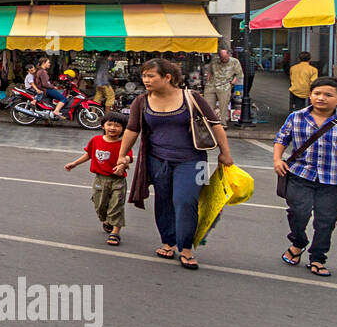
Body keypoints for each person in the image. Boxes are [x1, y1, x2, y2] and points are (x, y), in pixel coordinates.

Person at [114, 57, 235, 269]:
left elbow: (215, 125)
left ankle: (186, 247)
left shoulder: (192, 97)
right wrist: (122, 155)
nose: (146, 80)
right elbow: (132, 130)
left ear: (167, 77)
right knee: (164, 201)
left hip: (192, 160)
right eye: (144, 76)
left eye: (151, 75)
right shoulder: (141, 101)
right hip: (157, 160)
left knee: (185, 201)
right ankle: (168, 241)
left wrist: (225, 153)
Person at [274, 77, 337, 277]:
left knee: (325, 221)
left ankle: (318, 258)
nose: (321, 98)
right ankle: (298, 242)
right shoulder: (296, 117)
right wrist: (277, 159)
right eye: (317, 94)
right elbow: (281, 139)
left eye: (328, 95)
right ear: (310, 96)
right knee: (298, 213)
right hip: (300, 175)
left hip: (333, 180)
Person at [64, 112, 133, 246]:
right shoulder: (96, 140)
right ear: (103, 126)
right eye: (109, 124)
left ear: (123, 129)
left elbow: (129, 157)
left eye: (117, 126)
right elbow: (88, 154)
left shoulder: (124, 143)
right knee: (100, 206)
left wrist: (123, 163)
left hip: (117, 180)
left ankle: (115, 232)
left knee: (116, 206)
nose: (113, 128)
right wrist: (74, 163)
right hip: (100, 180)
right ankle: (107, 220)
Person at [204, 48, 243, 127]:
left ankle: (223, 123)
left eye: (225, 57)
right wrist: (208, 81)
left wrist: (232, 83)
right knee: (208, 105)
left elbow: (239, 74)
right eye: (222, 57)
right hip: (211, 85)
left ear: (229, 55)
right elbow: (209, 72)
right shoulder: (215, 61)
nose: (223, 59)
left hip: (224, 86)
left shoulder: (235, 62)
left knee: (223, 105)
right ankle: (209, 122)